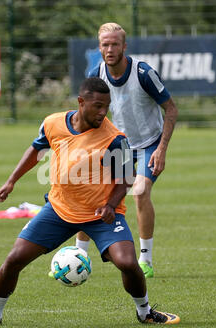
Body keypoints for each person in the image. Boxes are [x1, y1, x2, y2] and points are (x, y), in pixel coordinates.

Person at [0, 78, 179, 327]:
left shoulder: (114, 138)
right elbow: (36, 150)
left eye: (107, 106)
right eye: (97, 106)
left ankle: (145, 313)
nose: (103, 112)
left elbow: (125, 180)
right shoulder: (53, 123)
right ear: (81, 102)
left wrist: (111, 205)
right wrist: (12, 180)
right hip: (59, 210)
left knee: (128, 263)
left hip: (101, 215)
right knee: (14, 259)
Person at [75, 23, 178, 278]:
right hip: (117, 146)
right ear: (99, 47)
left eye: (115, 44)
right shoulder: (95, 73)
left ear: (124, 46)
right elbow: (87, 115)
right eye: (105, 45)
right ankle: (78, 257)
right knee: (89, 191)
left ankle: (146, 259)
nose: (110, 49)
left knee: (140, 192)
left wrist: (162, 149)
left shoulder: (143, 73)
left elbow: (172, 109)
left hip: (148, 145)